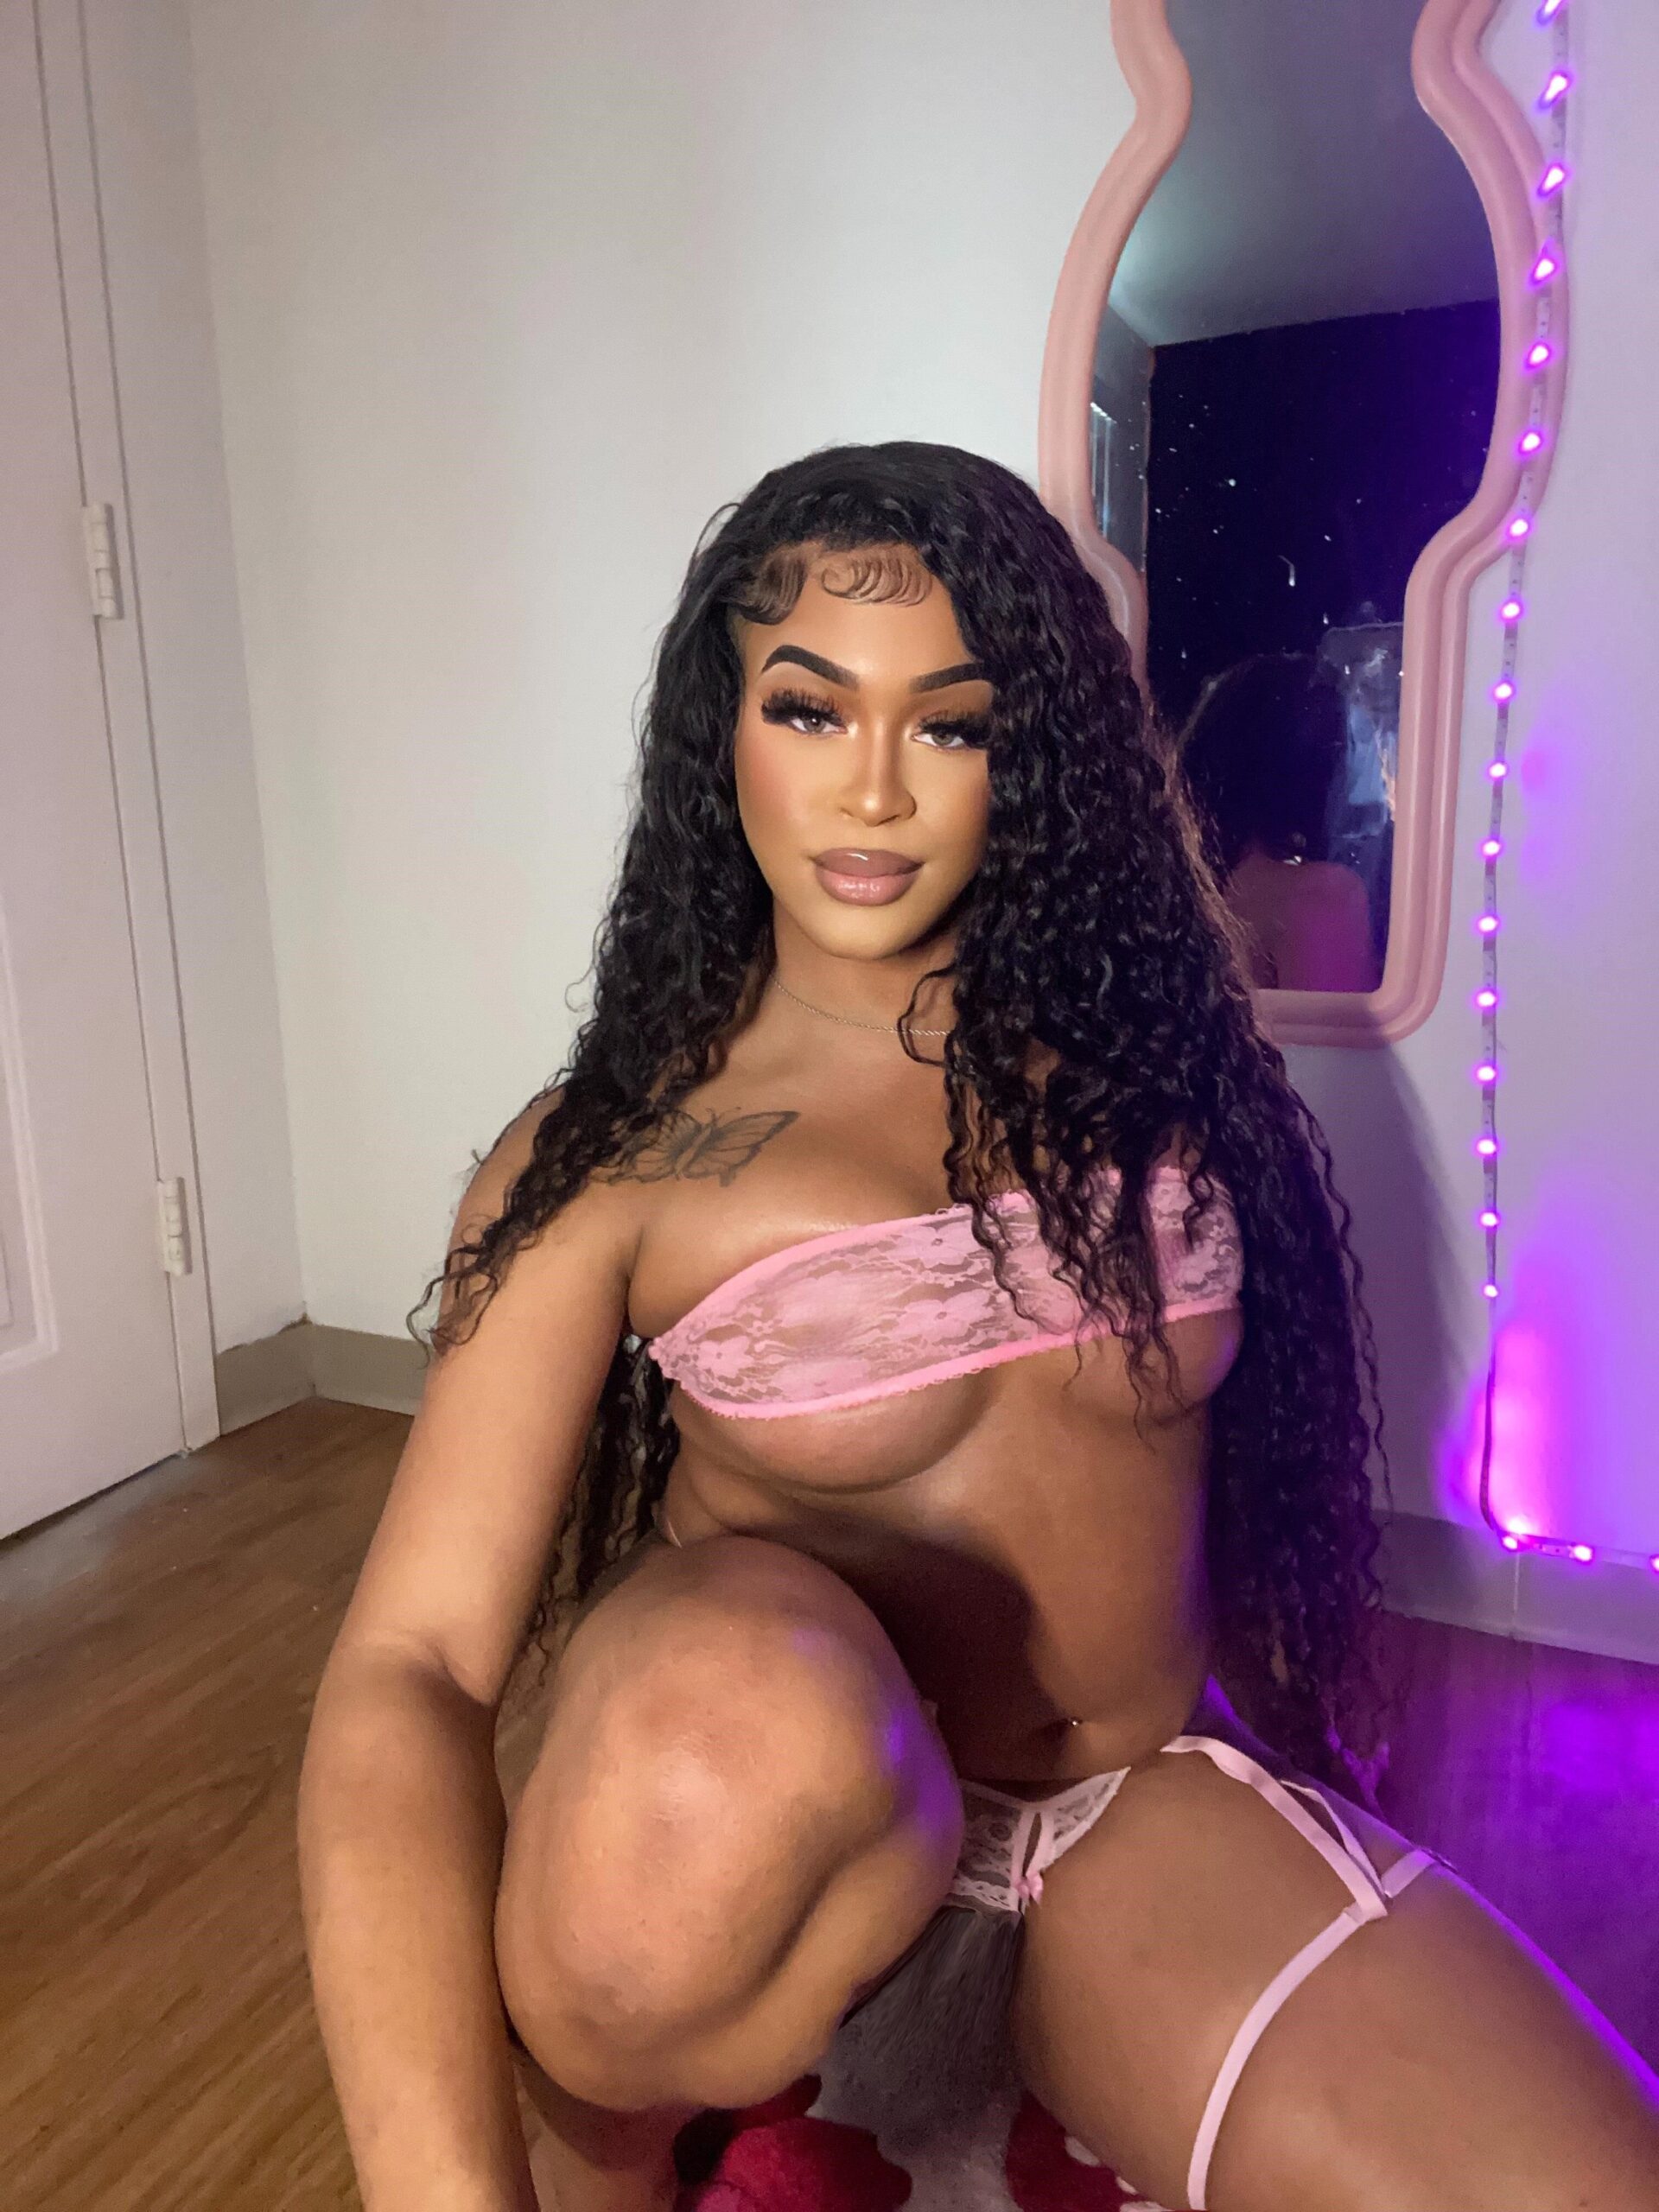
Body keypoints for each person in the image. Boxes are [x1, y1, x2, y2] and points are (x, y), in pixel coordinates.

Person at [297, 442, 1659, 2212]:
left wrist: (1292, 1778)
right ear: (721, 729)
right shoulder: (619, 1149)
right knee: (731, 1719)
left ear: (1033, 752)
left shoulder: (1154, 1060)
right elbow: (411, 1669)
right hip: (755, 1854)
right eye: (809, 709)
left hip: (1118, 1824)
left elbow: (1229, 1491)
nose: (873, 788)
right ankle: (621, 2137)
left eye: (949, 724)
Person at [1178, 653, 1381, 995]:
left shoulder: (1176, 891)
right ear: (1319, 768)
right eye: (1358, 746)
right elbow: (1335, 1031)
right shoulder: (1323, 894)